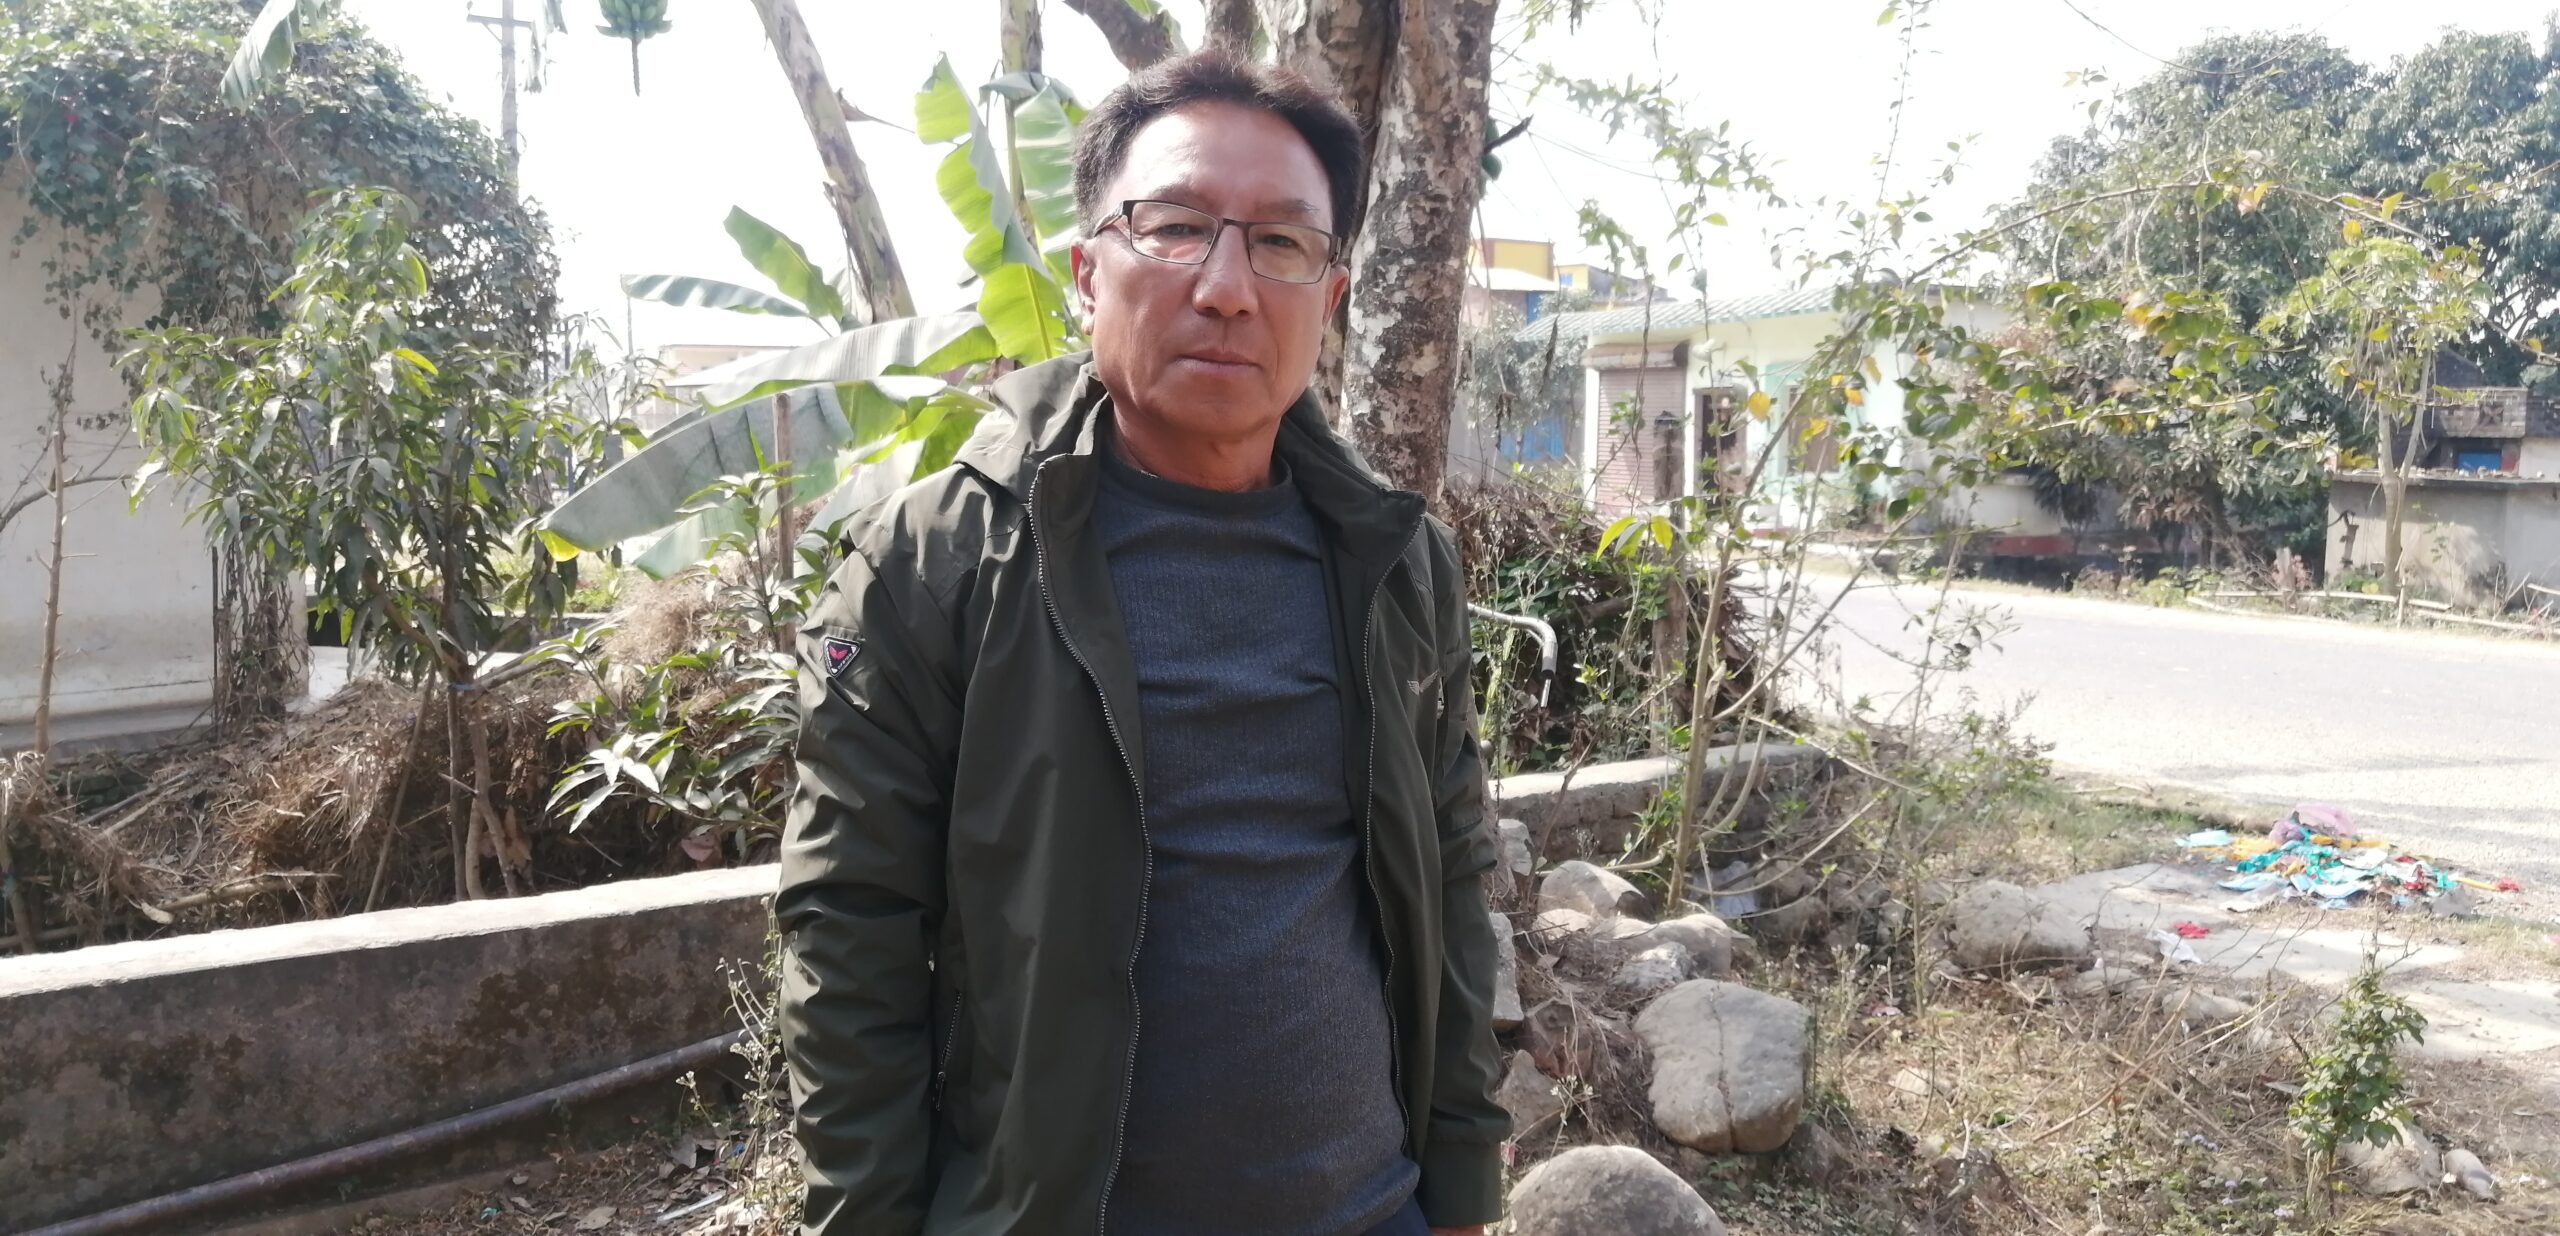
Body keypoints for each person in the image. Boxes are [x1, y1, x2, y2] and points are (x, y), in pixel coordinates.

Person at [776, 49, 1508, 1236]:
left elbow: (1455, 872)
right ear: (1086, 272)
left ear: (1329, 295)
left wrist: (1463, 1183)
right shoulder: (938, 562)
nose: (1227, 288)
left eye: (1281, 243)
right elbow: (850, 928)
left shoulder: (1396, 561)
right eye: (1174, 228)